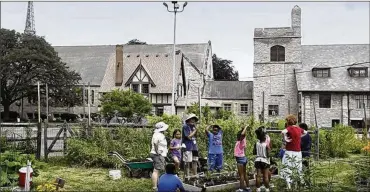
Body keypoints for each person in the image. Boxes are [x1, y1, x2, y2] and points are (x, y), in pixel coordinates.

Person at [281, 115, 308, 189]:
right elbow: (306, 132)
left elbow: (282, 132)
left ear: (289, 121)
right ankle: (298, 184)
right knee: (297, 167)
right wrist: (300, 136)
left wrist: (285, 139)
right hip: (298, 152)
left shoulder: (289, 128)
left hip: (289, 151)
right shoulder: (299, 129)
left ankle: (289, 186)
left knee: (287, 168)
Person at [150, 122, 169, 192]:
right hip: (157, 154)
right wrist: (157, 152)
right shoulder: (159, 135)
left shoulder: (156, 134)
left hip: (156, 154)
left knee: (157, 171)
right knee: (156, 171)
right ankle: (155, 188)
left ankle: (157, 185)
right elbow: (155, 143)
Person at [253, 127, 271, 192]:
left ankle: (258, 189)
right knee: (265, 177)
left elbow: (254, 152)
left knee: (258, 176)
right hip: (265, 161)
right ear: (264, 137)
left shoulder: (256, 143)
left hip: (257, 160)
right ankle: (267, 189)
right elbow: (268, 155)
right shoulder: (266, 145)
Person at [234, 126, 251, 192]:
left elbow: (242, 134)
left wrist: (245, 127)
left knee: (241, 175)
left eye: (238, 136)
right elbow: (242, 134)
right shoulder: (241, 141)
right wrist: (242, 129)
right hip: (243, 158)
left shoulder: (241, 141)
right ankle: (248, 187)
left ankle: (241, 189)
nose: (237, 137)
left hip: (240, 159)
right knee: (244, 174)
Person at [182, 113, 199, 178]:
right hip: (187, 147)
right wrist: (195, 130)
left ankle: (195, 175)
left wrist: (196, 131)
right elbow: (188, 137)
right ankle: (187, 176)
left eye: (194, 119)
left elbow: (196, 136)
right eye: (192, 119)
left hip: (194, 147)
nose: (193, 121)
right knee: (187, 162)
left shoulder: (194, 127)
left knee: (195, 161)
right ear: (188, 120)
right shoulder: (185, 126)